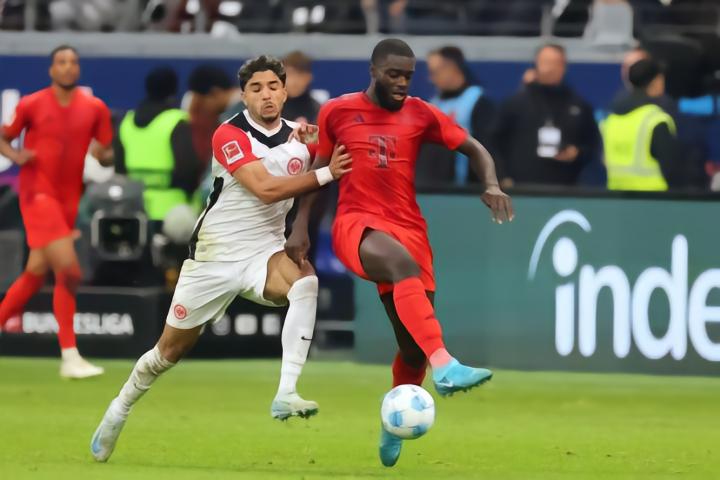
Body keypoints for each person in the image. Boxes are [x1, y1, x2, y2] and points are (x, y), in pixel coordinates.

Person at [89, 55, 352, 463]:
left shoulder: (300, 137)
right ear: (243, 96)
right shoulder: (228, 134)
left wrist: (321, 147)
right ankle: (118, 409)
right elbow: (265, 188)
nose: (266, 95)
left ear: (285, 91)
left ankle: (286, 392)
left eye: (273, 86)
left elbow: (332, 152)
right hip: (213, 258)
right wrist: (326, 172)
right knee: (166, 355)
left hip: (263, 252)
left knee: (305, 281)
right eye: (256, 88)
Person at [285, 39, 513, 467]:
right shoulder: (337, 111)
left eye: (408, 75)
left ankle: (392, 425)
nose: (402, 82)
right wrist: (300, 228)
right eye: (394, 74)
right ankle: (445, 364)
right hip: (356, 223)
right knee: (400, 266)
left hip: (409, 229)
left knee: (411, 349)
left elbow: (473, 147)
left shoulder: (421, 113)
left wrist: (491, 183)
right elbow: (320, 172)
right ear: (373, 71)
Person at [0, 45, 114, 378]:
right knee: (70, 270)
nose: (67, 67)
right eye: (61, 62)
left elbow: (105, 152)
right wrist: (16, 156)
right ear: (51, 69)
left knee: (35, 274)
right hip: (37, 195)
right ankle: (70, 356)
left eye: (73, 62)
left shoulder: (95, 108)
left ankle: (70, 357)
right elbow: (5, 136)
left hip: (68, 201)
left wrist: (103, 154)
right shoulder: (31, 104)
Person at [491, 44, 601, 187]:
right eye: (546, 62)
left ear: (564, 66)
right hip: (521, 187)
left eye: (556, 63)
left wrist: (577, 153)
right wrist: (502, 176)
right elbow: (493, 141)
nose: (550, 68)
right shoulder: (515, 103)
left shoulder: (579, 106)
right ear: (536, 65)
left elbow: (592, 144)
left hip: (565, 188)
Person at [115, 67, 201, 221]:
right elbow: (188, 169)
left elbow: (119, 168)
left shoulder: (127, 121)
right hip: (172, 211)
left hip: (133, 208)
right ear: (173, 90)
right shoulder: (176, 121)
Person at [420, 45, 495, 185]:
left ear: (452, 68)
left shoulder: (478, 102)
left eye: (434, 72)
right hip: (434, 186)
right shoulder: (433, 104)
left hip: (465, 188)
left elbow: (487, 147)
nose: (431, 79)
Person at [604, 58, 680, 190]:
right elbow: (671, 167)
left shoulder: (612, 119)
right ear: (655, 82)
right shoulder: (656, 120)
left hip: (617, 195)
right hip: (652, 196)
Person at [282, 51, 321, 123]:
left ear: (308, 77)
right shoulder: (270, 109)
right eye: (289, 75)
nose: (293, 82)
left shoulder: (317, 111)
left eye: (299, 75)